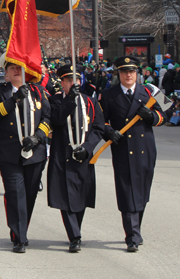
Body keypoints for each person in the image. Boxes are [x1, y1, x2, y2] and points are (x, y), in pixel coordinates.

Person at [99, 56, 166, 252]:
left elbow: (167, 112)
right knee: (127, 193)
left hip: (145, 149)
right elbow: (99, 120)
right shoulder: (108, 95)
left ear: (137, 73)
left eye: (132, 72)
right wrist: (107, 130)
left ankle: (136, 228)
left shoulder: (150, 91)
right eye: (124, 72)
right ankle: (132, 235)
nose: (129, 75)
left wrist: (153, 116)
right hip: (122, 150)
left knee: (142, 192)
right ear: (118, 74)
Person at [0, 58, 50, 253]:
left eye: (19, 67)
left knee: (30, 194)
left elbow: (48, 117)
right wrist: (14, 99)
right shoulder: (0, 91)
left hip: (35, 152)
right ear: (6, 73)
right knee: (15, 193)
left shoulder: (38, 92)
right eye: (12, 68)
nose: (16, 71)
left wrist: (38, 137)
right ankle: (19, 236)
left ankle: (21, 227)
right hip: (8, 153)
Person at [48, 65, 104, 252]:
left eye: (76, 80)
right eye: (69, 80)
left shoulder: (90, 102)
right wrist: (70, 99)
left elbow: (98, 128)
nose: (73, 83)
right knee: (66, 198)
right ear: (62, 83)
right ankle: (74, 235)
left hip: (83, 157)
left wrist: (88, 149)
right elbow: (56, 120)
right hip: (62, 156)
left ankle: (75, 229)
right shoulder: (55, 100)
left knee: (81, 197)